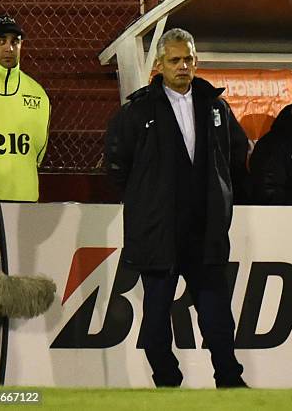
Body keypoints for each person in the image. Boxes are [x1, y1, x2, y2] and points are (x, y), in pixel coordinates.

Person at [105, 28, 248, 388]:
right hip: (158, 233)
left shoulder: (216, 106)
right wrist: (146, 203)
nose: (183, 66)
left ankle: (230, 382)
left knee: (217, 316)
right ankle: (167, 384)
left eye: (188, 59)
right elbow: (117, 164)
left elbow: (235, 155)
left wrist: (222, 202)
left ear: (196, 60)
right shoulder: (139, 111)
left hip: (205, 233)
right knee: (156, 316)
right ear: (159, 65)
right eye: (175, 60)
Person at [0, 15, 50, 201]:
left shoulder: (37, 93)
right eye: (1, 41)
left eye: (15, 42)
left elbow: (38, 152)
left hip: (24, 204)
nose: (9, 48)